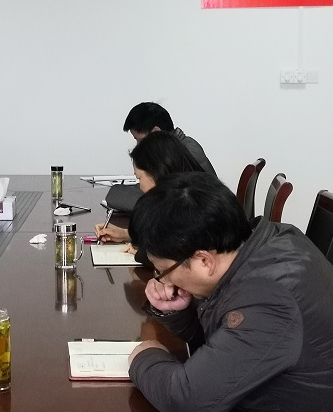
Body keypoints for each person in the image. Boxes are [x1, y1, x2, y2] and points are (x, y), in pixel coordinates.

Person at [127, 172, 333, 411]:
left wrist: (144, 356)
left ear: (204, 261)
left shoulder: (268, 302)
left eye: (163, 271)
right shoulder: (269, 242)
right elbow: (224, 343)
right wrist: (180, 312)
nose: (164, 280)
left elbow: (186, 400)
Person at [95, 131, 204, 264]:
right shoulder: (190, 192)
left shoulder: (191, 205)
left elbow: (181, 254)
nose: (140, 186)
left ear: (156, 173)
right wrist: (127, 235)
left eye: (139, 178)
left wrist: (145, 252)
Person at [106, 102, 216, 212]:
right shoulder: (176, 148)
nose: (139, 146)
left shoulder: (180, 153)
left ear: (156, 132)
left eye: (140, 140)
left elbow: (170, 203)